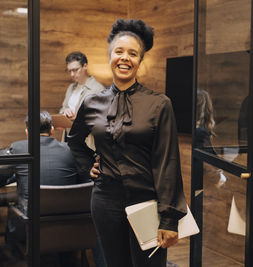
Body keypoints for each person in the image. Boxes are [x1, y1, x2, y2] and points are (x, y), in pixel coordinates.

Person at [67, 18, 187, 267]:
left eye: (132, 53)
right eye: (119, 51)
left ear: (140, 61)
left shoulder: (159, 104)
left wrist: (169, 219)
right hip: (105, 200)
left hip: (147, 202)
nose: (125, 58)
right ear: (110, 56)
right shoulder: (91, 103)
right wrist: (89, 165)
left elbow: (168, 162)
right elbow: (75, 141)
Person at [0, 110, 82, 240]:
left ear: (27, 132)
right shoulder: (69, 149)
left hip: (32, 224)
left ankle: (15, 252)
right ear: (52, 130)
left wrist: (16, 175)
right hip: (68, 221)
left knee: (12, 209)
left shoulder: (18, 148)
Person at [59, 51, 105, 121]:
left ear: (85, 66)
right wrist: (64, 111)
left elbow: (102, 117)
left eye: (75, 70)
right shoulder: (71, 87)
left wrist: (78, 118)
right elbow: (63, 109)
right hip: (68, 131)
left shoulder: (98, 89)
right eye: (69, 71)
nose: (72, 74)